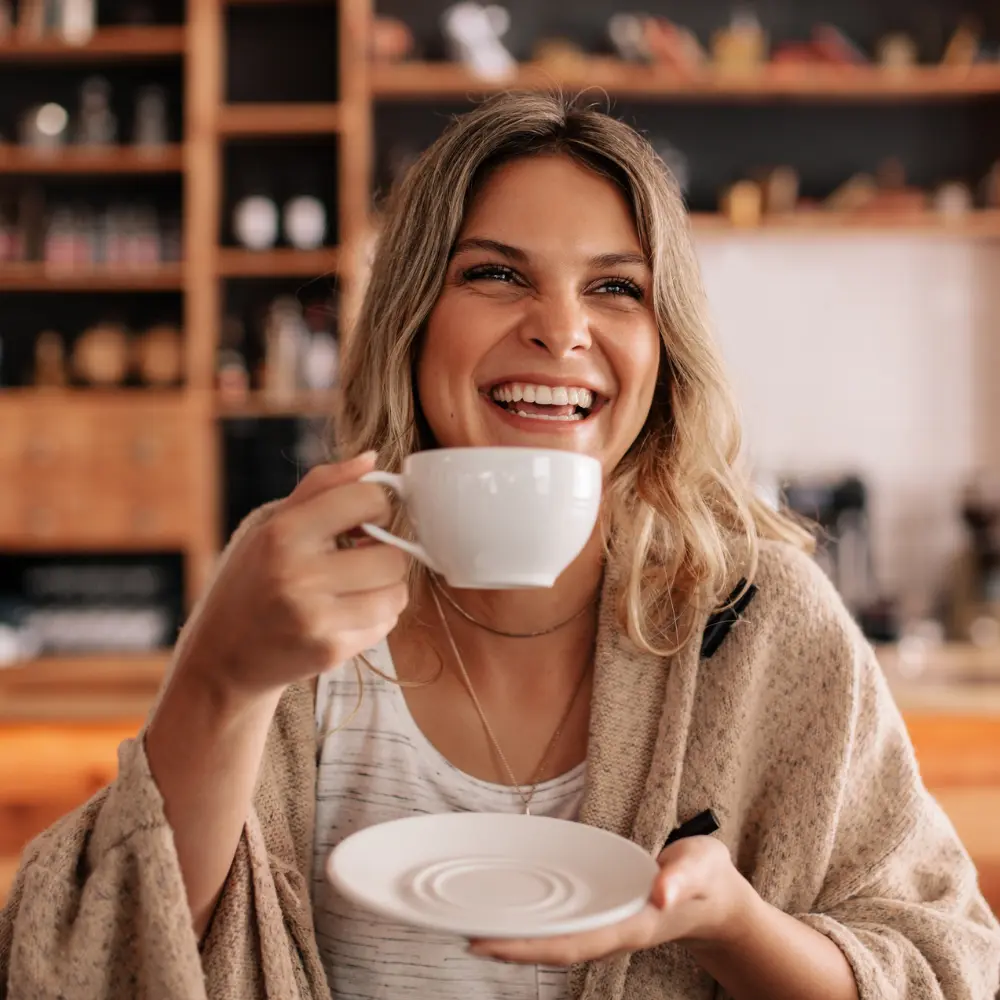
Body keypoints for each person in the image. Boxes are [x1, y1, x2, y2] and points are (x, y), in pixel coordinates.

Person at [1, 92, 998, 1000]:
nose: (560, 330)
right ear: (412, 317)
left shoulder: (755, 618)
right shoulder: (298, 617)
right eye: (493, 273)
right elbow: (81, 968)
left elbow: (948, 966)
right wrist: (219, 674)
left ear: (664, 346)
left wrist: (734, 925)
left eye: (614, 288)